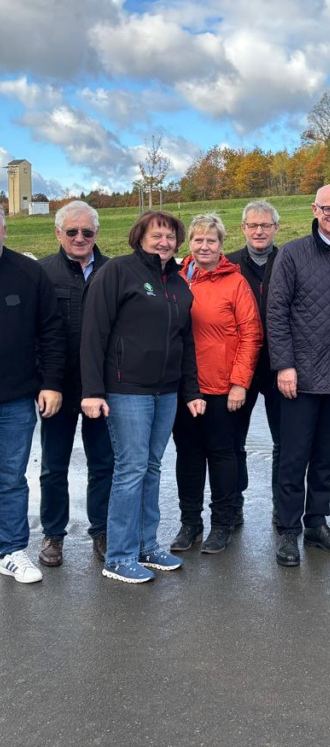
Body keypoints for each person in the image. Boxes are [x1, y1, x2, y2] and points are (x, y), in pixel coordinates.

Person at [81, 211, 206, 584]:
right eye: (157, 235)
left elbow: (185, 343)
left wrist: (191, 391)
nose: (164, 241)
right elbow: (93, 332)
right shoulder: (118, 272)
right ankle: (118, 556)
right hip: (126, 389)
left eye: (170, 236)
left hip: (165, 391)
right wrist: (92, 390)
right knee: (131, 468)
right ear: (140, 237)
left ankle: (146, 545)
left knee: (152, 467)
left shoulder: (179, 284)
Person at [267, 185, 330, 567]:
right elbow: (276, 313)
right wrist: (284, 365)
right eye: (326, 209)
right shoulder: (293, 253)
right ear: (315, 209)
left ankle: (316, 523)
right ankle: (288, 530)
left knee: (326, 457)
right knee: (294, 458)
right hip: (299, 377)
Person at [171, 214, 262, 555]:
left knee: (222, 455)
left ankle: (223, 522)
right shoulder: (177, 279)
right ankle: (190, 522)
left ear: (222, 246)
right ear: (189, 244)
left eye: (211, 240)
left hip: (223, 387)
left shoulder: (235, 283)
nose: (204, 246)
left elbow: (251, 335)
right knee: (189, 456)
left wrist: (240, 383)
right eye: (198, 240)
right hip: (184, 387)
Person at [37, 200, 113, 567]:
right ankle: (53, 535)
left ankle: (102, 531)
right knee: (54, 466)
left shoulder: (114, 271)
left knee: (103, 464)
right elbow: (35, 333)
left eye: (87, 232)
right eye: (72, 232)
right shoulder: (42, 274)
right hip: (57, 388)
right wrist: (42, 381)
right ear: (58, 233)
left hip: (101, 388)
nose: (80, 238)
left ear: (97, 234)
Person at [0, 206, 65, 585]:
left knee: (10, 476)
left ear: (5, 230)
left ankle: (10, 550)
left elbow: (51, 332)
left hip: (15, 398)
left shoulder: (28, 273)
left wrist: (52, 382)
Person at [227, 200, 281, 527]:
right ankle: (233, 501)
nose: (259, 231)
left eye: (265, 225)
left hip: (280, 366)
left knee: (285, 442)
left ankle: (282, 505)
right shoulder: (229, 264)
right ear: (243, 228)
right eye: (253, 225)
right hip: (239, 368)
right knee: (233, 439)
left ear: (276, 228)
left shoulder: (289, 260)